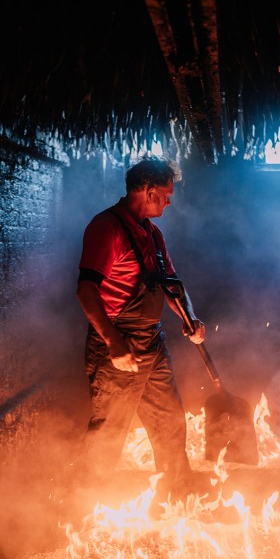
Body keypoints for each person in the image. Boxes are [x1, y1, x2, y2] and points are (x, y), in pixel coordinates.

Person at [76, 157, 205, 507]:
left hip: (152, 340)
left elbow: (171, 284)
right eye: (165, 196)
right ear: (148, 192)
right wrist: (114, 344)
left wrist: (189, 318)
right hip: (116, 343)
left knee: (169, 420)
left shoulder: (152, 233)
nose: (168, 202)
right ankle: (83, 511)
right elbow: (86, 291)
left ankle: (179, 497)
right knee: (109, 430)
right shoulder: (107, 228)